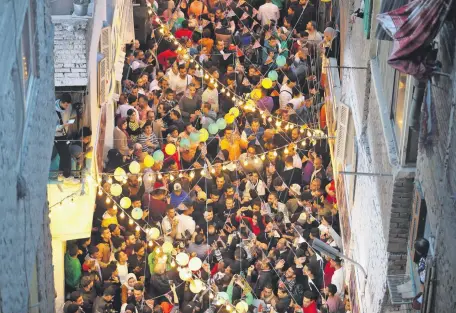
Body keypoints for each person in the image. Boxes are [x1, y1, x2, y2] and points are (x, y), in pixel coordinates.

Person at [55, 93, 78, 182]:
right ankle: (66, 176)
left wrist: (71, 119)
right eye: (65, 105)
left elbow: (70, 114)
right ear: (61, 102)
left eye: (68, 105)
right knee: (66, 155)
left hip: (65, 134)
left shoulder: (69, 107)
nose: (67, 106)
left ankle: (61, 174)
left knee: (64, 154)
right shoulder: (53, 111)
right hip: (57, 136)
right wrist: (62, 126)